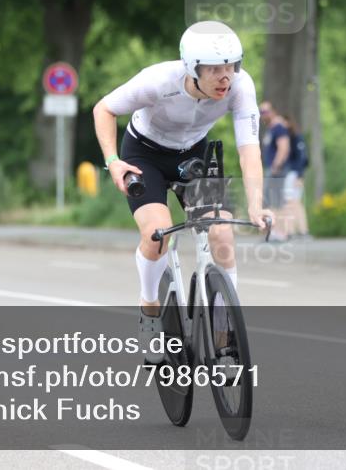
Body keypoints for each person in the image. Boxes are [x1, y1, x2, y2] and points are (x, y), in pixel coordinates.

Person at [92, 21, 271, 363]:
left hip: (192, 154)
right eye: (215, 69)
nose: (226, 77)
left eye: (232, 66)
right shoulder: (158, 81)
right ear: (192, 67)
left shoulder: (240, 87)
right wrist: (113, 161)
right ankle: (149, 309)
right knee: (157, 234)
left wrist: (256, 205)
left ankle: (224, 337)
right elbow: (104, 109)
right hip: (144, 155)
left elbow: (250, 150)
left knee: (222, 233)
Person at [259, 101, 290, 240]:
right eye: (261, 112)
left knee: (277, 201)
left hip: (276, 170)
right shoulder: (271, 128)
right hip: (270, 169)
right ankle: (274, 231)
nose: (263, 115)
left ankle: (281, 232)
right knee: (270, 200)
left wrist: (276, 166)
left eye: (265, 112)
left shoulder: (279, 127)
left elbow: (284, 147)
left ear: (273, 111)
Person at [281, 114, 309, 238]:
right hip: (290, 173)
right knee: (291, 203)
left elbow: (302, 158)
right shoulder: (287, 138)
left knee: (294, 203)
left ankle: (301, 231)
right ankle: (292, 231)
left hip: (294, 174)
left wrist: (300, 176)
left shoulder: (296, 137)